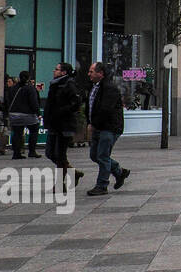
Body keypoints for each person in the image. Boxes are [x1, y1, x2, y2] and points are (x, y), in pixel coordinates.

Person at [85, 61, 129, 196]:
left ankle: (102, 185)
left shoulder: (109, 88)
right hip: (99, 126)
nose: (89, 74)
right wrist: (90, 122)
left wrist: (94, 124)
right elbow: (90, 106)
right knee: (94, 155)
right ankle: (118, 171)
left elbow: (105, 110)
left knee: (103, 156)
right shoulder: (95, 87)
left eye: (91, 71)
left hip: (109, 127)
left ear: (100, 73)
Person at [43, 62, 83, 192]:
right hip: (54, 124)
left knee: (60, 155)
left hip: (64, 124)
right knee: (49, 153)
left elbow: (76, 102)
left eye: (57, 69)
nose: (54, 71)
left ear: (64, 72)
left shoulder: (69, 84)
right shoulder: (55, 84)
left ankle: (60, 184)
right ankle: (73, 172)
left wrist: (62, 111)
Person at [6, 70, 42, 160]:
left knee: (17, 133)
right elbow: (34, 102)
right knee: (34, 129)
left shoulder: (13, 88)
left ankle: (16, 153)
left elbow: (8, 100)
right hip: (28, 114)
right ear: (29, 78)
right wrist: (38, 113)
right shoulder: (30, 88)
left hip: (14, 114)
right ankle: (32, 151)